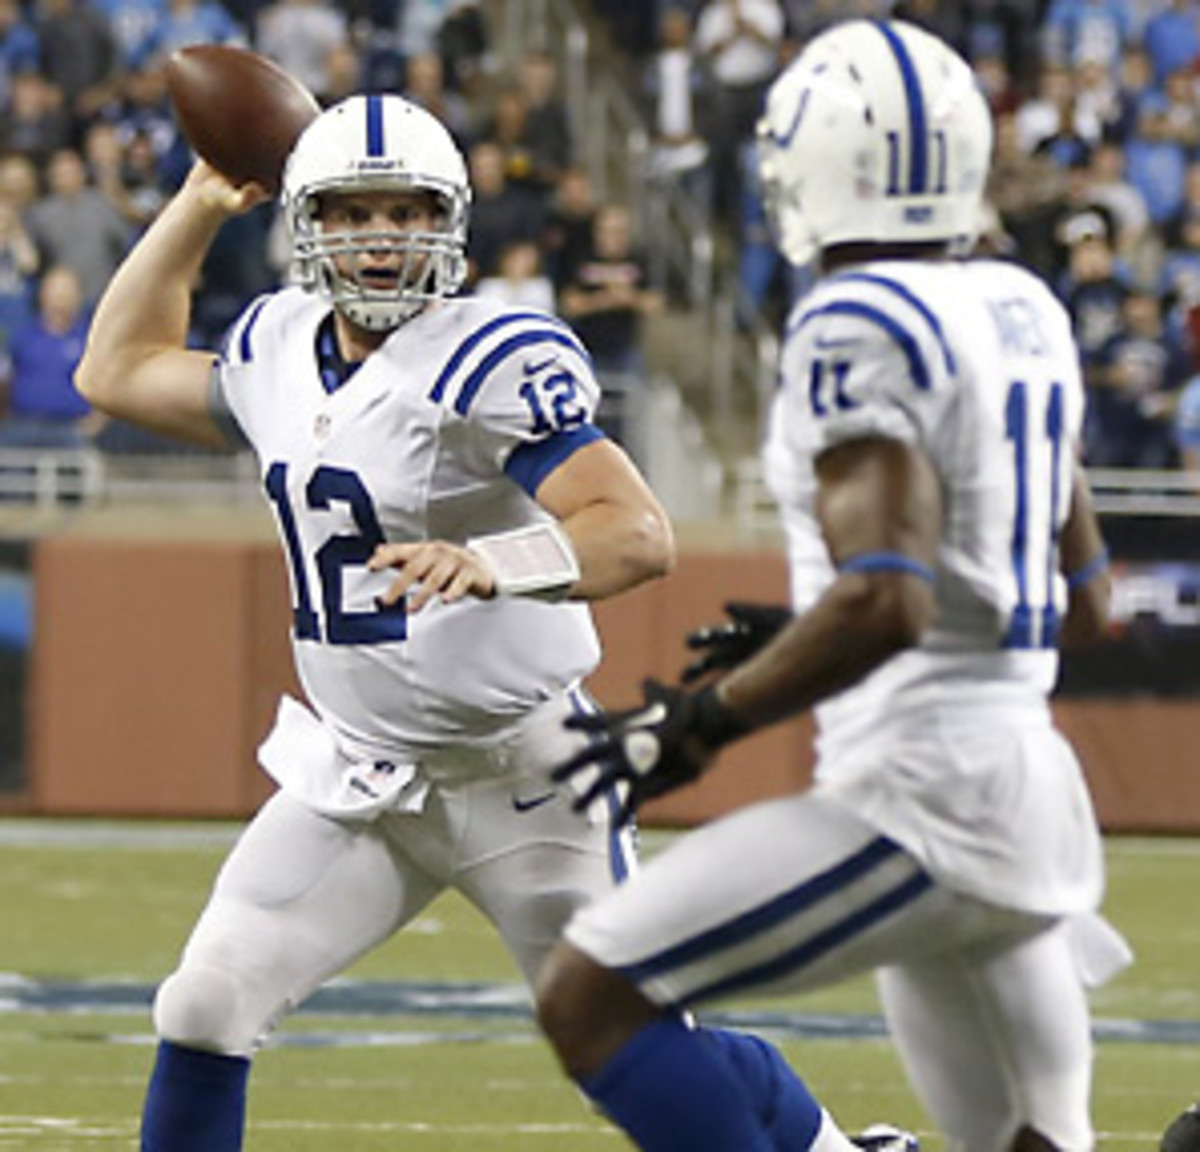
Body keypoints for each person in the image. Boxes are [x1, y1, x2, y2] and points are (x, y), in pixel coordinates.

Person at [74, 92, 877, 1152]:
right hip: (361, 776)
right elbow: (114, 371)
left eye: (408, 212)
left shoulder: (484, 356)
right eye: (354, 213)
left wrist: (491, 563)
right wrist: (199, 198)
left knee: (627, 1049)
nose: (381, 239)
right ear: (307, 222)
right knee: (203, 1005)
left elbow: (636, 533)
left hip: (525, 779)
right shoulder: (277, 341)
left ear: (447, 220)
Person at [535, 19, 1130, 1152]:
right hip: (1031, 788)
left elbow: (891, 595)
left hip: (924, 796)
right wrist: (827, 618)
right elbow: (1085, 597)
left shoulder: (857, 319)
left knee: (589, 993)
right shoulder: (1025, 310)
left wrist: (704, 720)